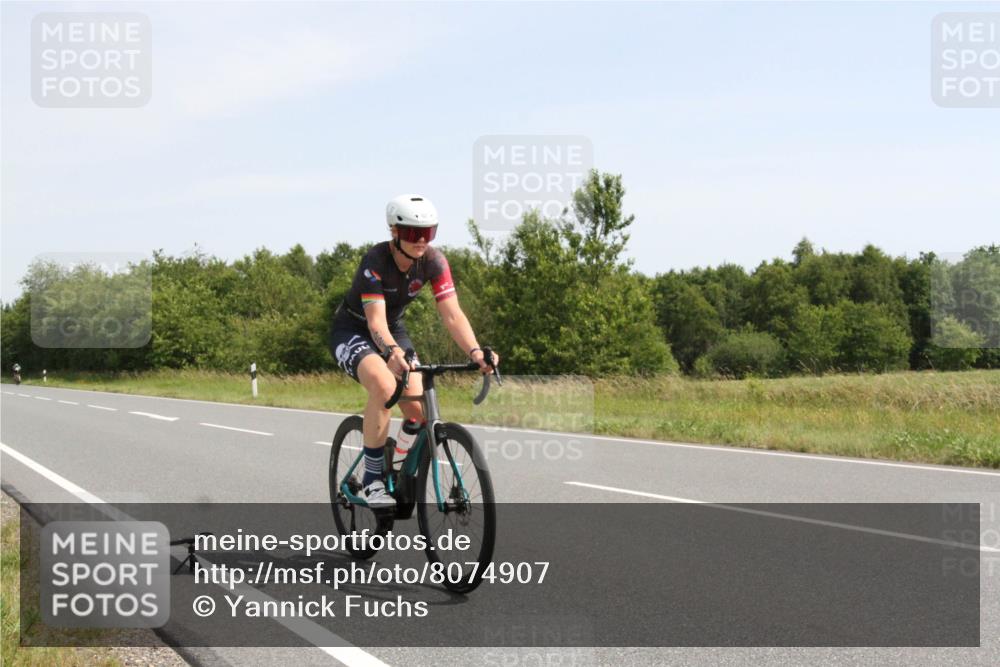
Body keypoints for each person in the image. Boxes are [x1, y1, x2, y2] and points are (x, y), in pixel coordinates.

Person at [329, 194, 499, 507]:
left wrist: (476, 352)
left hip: (394, 331)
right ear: (394, 232)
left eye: (428, 233)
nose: (421, 241)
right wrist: (392, 353)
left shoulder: (434, 261)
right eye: (411, 233)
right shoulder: (375, 262)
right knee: (384, 385)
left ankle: (397, 467)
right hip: (353, 330)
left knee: (419, 411)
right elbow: (375, 322)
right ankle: (372, 480)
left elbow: (452, 314)